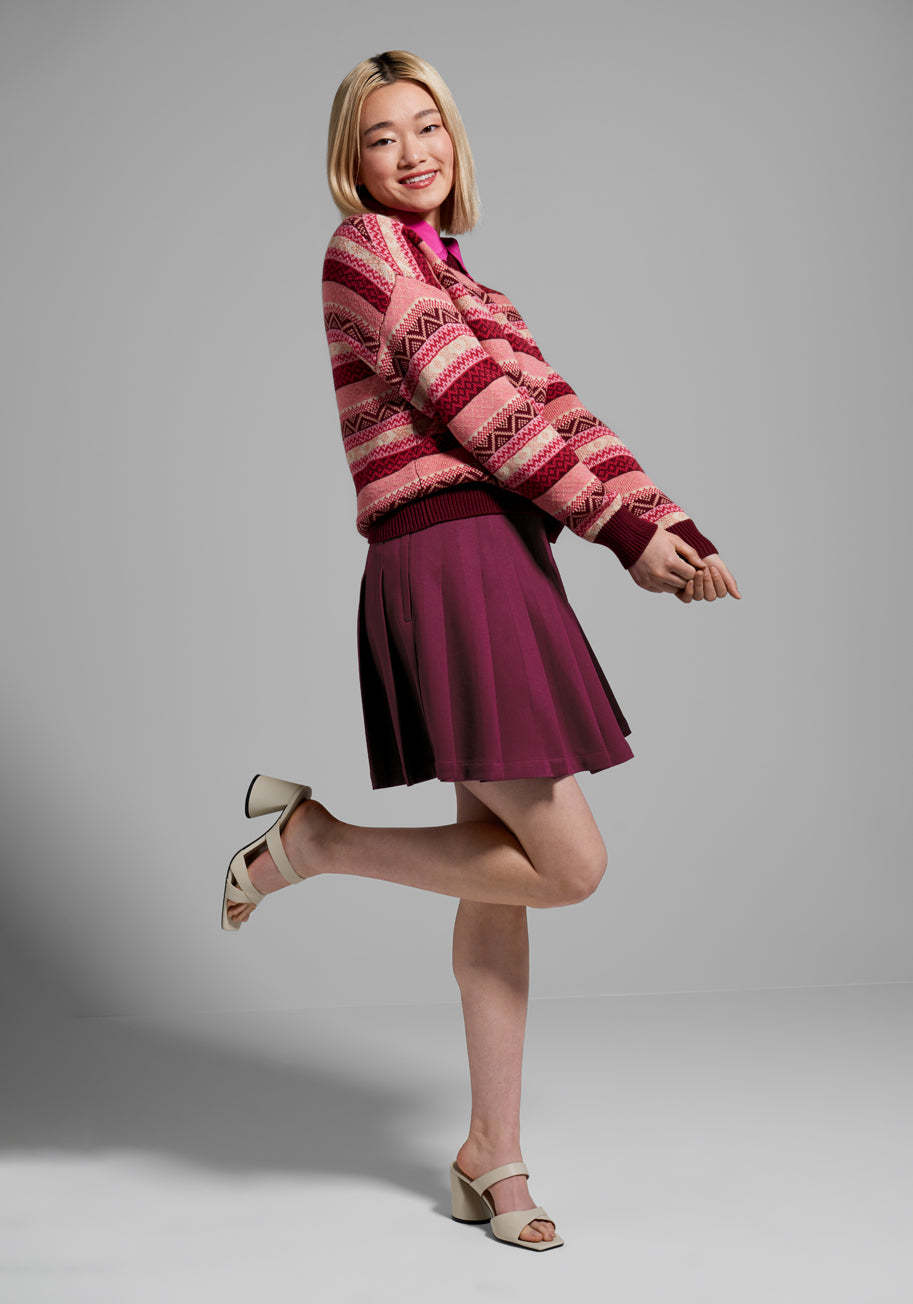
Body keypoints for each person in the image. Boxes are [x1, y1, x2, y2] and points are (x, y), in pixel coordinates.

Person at [222, 49, 741, 1252]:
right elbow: (477, 411)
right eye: (381, 136)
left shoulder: (471, 283)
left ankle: (489, 1156)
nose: (411, 153)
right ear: (350, 161)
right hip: (447, 553)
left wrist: (665, 521)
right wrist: (618, 532)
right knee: (568, 863)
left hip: (503, 551)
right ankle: (315, 841)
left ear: (453, 140)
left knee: (495, 876)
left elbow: (558, 411)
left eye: (427, 128)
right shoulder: (363, 254)